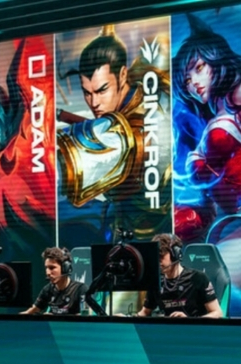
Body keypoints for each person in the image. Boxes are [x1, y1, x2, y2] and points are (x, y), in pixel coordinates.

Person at [57, 25, 172, 247]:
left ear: (122, 75)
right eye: (87, 93)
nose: (94, 103)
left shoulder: (134, 133)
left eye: (102, 90)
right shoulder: (139, 83)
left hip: (145, 235)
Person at [172, 14, 241, 237]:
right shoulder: (217, 110)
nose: (194, 83)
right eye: (187, 81)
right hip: (235, 217)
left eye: (199, 68)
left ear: (216, 59)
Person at [136, 234, 223, 318]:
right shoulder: (156, 281)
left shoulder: (197, 278)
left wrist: (189, 321)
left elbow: (217, 313)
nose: (158, 261)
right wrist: (129, 319)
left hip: (193, 328)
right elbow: (145, 312)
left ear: (175, 254)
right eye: (155, 257)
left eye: (161, 256)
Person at [21, 247, 88, 315]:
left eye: (52, 268)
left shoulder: (80, 289)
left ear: (65, 268)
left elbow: (87, 316)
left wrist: (54, 317)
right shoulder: (47, 290)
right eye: (46, 268)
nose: (48, 273)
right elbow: (30, 312)